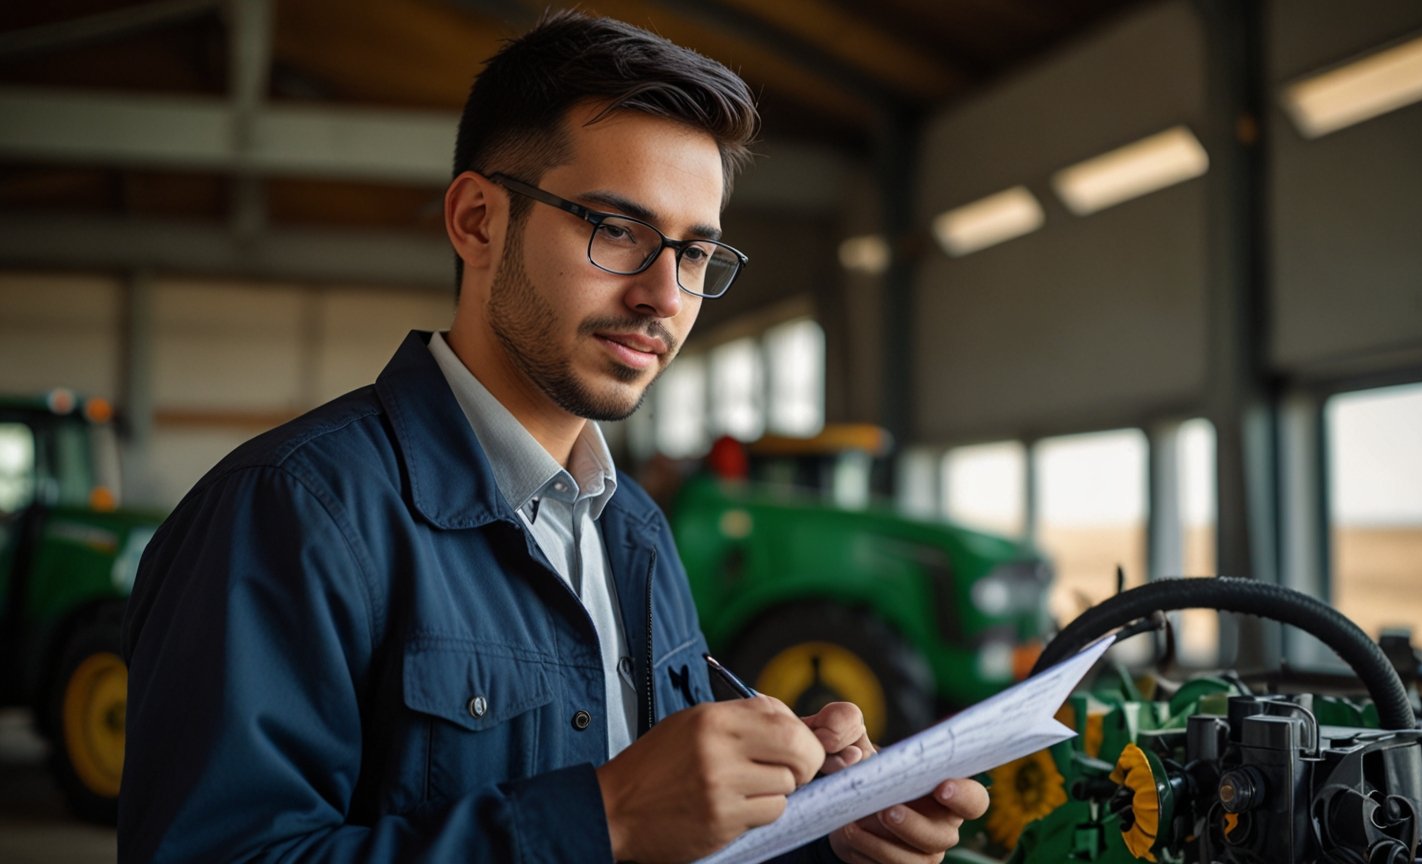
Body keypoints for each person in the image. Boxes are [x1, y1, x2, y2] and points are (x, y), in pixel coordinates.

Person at [119, 11, 987, 863]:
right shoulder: (291, 513)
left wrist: (815, 826)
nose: (664, 297)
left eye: (694, 254)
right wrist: (601, 818)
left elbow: (675, 833)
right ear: (478, 222)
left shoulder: (635, 528)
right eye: (617, 230)